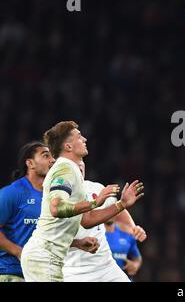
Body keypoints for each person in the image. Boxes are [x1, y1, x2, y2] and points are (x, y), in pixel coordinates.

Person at [21, 121, 144, 282]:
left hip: (57, 258)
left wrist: (122, 204)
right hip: (45, 258)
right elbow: (56, 208)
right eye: (79, 137)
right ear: (68, 147)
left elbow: (87, 220)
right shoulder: (64, 169)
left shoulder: (73, 173)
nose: (84, 139)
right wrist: (96, 202)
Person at [0, 141, 97, 282]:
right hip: (11, 273)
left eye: (53, 157)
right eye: (46, 156)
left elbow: (45, 236)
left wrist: (77, 243)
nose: (52, 160)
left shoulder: (52, 197)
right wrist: (19, 252)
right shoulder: (12, 193)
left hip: (40, 272)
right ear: (30, 163)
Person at [63, 159, 147, 282]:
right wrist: (77, 243)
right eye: (75, 164)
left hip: (101, 266)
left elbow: (117, 208)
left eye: (81, 162)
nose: (80, 166)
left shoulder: (96, 188)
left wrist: (133, 228)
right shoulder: (58, 194)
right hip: (71, 267)